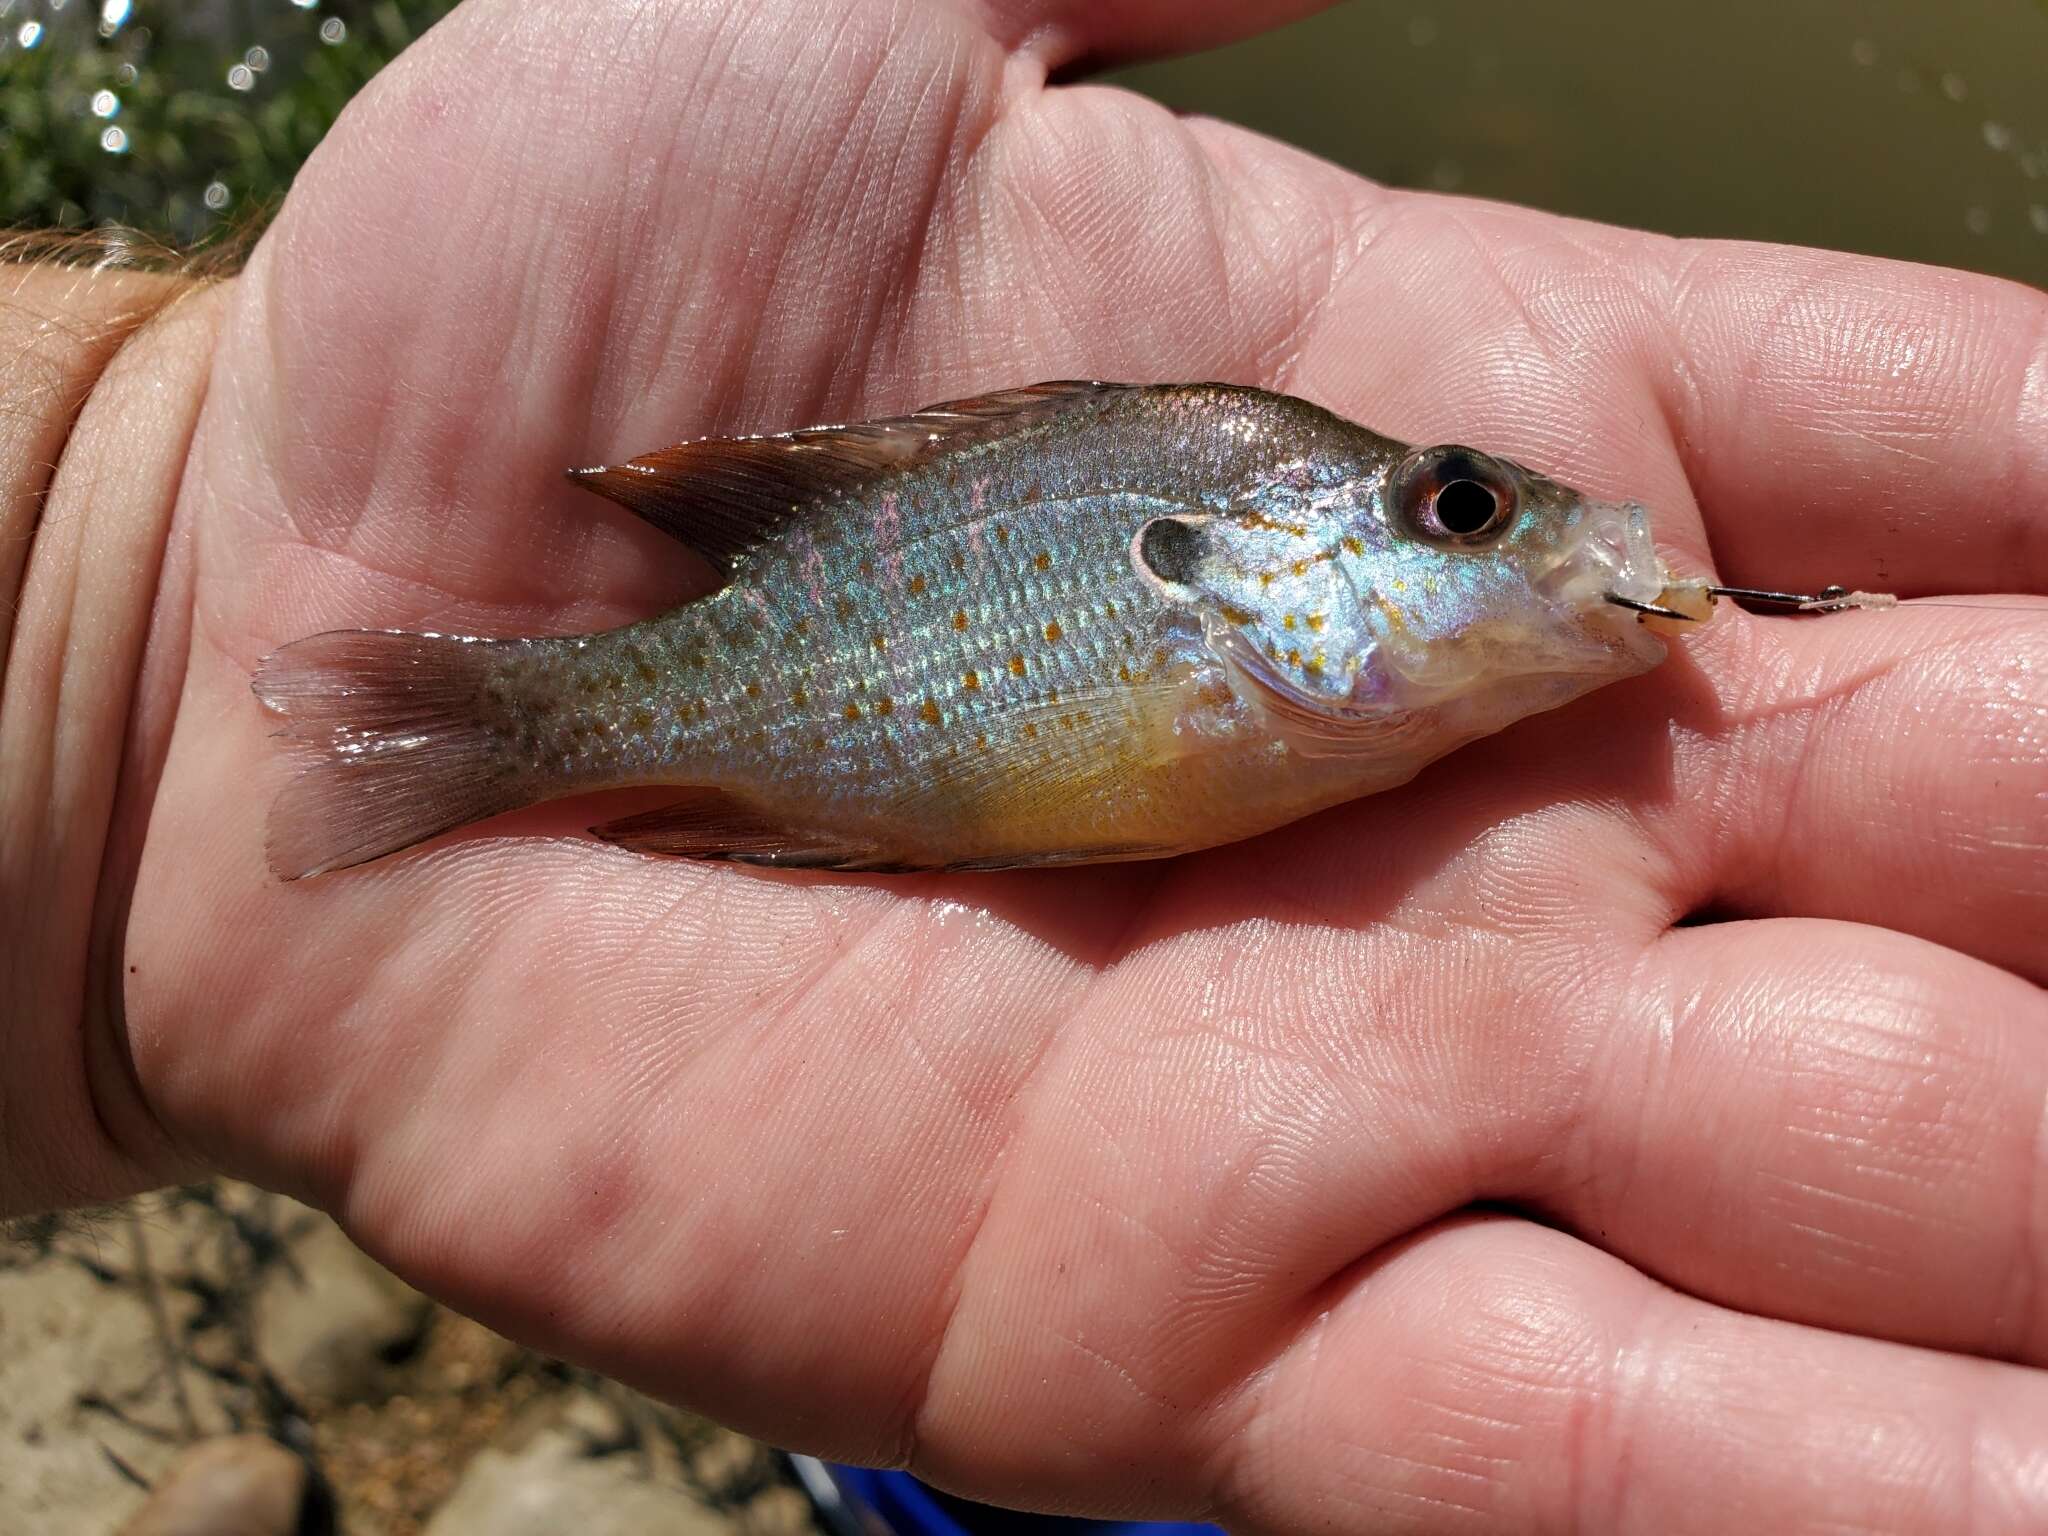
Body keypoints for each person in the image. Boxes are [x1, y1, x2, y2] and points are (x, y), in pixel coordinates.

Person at [4, 1, 2043, 1529]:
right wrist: (107, 596)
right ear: (1261, 557)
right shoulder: (1241, 588)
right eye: (1455, 512)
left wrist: (93, 614)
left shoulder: (1349, 680)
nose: (1516, 542)